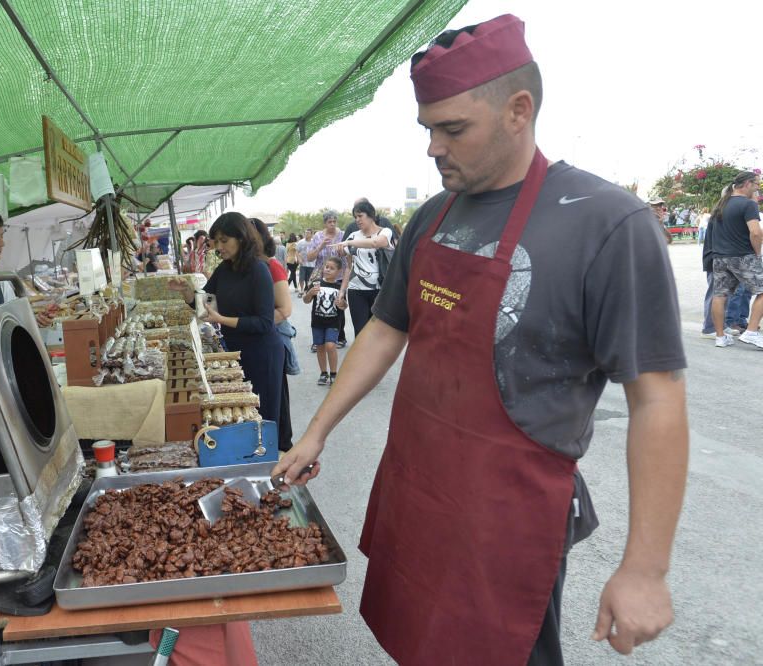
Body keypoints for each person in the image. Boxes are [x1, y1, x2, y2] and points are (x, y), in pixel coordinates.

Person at [273, 14, 687, 665]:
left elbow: (657, 399)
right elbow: (386, 328)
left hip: (508, 518)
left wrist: (646, 568)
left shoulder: (607, 224)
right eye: (427, 128)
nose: (433, 148)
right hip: (421, 491)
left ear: (518, 110)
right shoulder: (431, 217)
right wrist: (316, 431)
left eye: (453, 128)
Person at [168, 213, 282, 426]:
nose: (219, 247)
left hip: (262, 353)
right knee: (244, 417)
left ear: (241, 238)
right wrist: (188, 293)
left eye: (224, 240)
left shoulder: (259, 270)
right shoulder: (225, 269)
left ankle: (272, 456)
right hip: (236, 350)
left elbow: (264, 322)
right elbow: (205, 303)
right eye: (216, 241)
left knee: (263, 414)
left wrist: (222, 319)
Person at [248, 217, 296, 452]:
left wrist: (252, 324)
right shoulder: (246, 269)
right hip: (254, 344)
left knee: (273, 401)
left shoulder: (271, 266)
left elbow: (285, 310)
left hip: (268, 342)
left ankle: (278, 448)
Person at [708, 170, 763, 347]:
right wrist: (757, 253)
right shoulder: (748, 205)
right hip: (742, 256)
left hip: (720, 257)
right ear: (747, 184)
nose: (757, 188)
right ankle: (752, 332)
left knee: (719, 295)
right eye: (756, 184)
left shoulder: (721, 204)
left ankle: (720, 337)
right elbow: (755, 232)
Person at [335, 199, 393, 334]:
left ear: (371, 215)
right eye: (355, 217)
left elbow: (376, 243)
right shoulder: (353, 236)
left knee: (378, 334)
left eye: (360, 216)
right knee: (360, 333)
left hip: (380, 290)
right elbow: (349, 267)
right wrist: (342, 291)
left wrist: (349, 244)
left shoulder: (385, 232)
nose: (357, 220)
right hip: (356, 290)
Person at [307, 211, 347, 348]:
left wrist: (343, 251)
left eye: (334, 221)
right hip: (321, 276)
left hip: (339, 277)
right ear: (325, 223)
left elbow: (348, 256)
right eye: (330, 222)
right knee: (318, 305)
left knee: (338, 305)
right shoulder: (318, 236)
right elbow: (310, 257)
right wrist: (320, 246)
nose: (332, 224)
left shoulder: (342, 235)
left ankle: (339, 337)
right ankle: (318, 339)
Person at [303, 257, 345, 386]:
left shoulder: (340, 287)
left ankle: (333, 373)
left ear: (339, 271)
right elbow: (306, 300)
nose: (328, 270)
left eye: (332, 268)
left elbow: (344, 306)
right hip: (317, 321)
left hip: (334, 322)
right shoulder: (316, 283)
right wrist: (310, 293)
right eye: (326, 267)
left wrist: (341, 303)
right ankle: (323, 373)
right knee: (320, 346)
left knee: (330, 345)